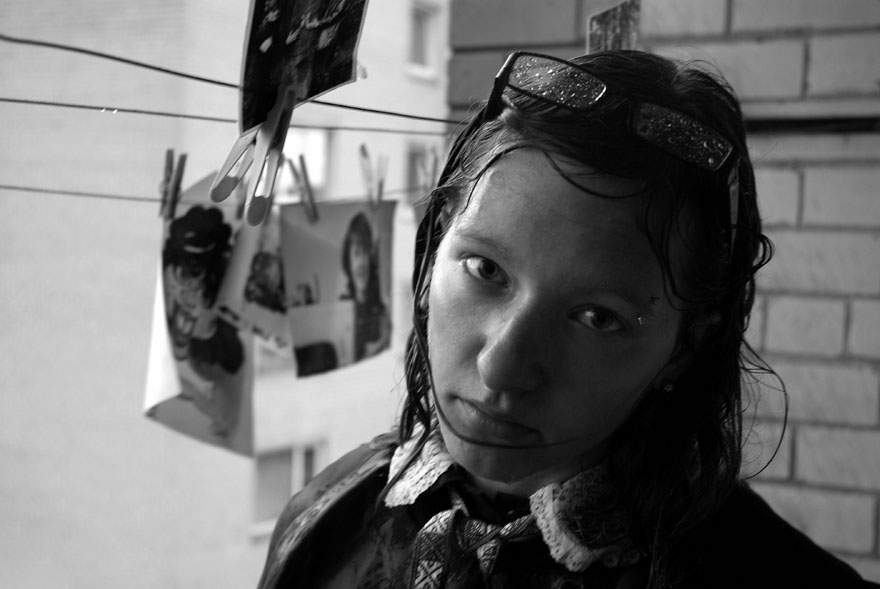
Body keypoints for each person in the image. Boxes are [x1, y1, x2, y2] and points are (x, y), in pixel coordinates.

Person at [257, 50, 876, 588]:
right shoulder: (323, 519)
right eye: (485, 269)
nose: (503, 366)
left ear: (686, 347)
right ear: (435, 250)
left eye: (597, 317)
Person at [341, 211, 391, 361]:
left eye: (365, 253)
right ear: (348, 262)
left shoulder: (382, 306)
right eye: (356, 253)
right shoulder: (342, 308)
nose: (361, 262)